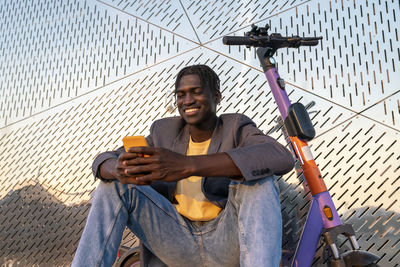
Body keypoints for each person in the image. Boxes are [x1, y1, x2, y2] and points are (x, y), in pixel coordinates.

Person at [72, 64, 294, 267]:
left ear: (217, 96)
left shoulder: (235, 126)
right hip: (176, 240)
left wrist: (188, 165)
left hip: (226, 241)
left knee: (259, 181)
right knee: (113, 185)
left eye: (196, 92)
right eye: (181, 94)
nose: (187, 100)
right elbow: (102, 161)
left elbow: (279, 156)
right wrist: (117, 168)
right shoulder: (164, 132)